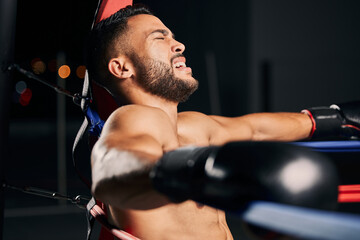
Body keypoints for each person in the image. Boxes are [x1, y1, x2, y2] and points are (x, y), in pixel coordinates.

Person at [87, 5, 360, 240]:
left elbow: (255, 129)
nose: (179, 45)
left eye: (173, 36)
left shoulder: (193, 126)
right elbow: (111, 164)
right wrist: (195, 171)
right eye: (159, 37)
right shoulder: (133, 117)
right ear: (122, 68)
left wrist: (336, 118)